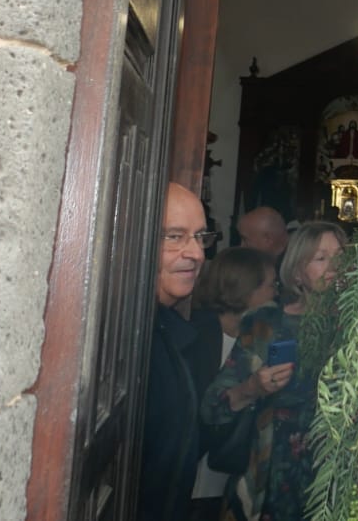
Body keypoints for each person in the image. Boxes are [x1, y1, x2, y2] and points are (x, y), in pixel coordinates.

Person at [203, 222, 348, 521]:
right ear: (297, 272)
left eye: (341, 256)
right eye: (321, 258)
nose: (334, 266)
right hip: (272, 478)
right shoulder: (265, 325)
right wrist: (252, 388)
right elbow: (212, 408)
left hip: (340, 479)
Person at [138, 183, 223, 521]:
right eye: (175, 236)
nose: (197, 253)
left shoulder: (167, 332)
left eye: (201, 237)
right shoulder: (123, 341)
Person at [188, 248, 278, 521]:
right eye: (270, 285)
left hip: (232, 478)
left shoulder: (263, 337)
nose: (276, 293)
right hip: (194, 484)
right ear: (245, 289)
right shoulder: (195, 335)